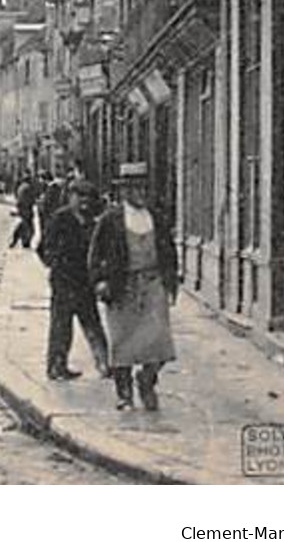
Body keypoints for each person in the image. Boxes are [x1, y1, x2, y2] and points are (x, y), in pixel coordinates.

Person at [89, 171, 179, 411]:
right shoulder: (111, 220)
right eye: (135, 189)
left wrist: (171, 283)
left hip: (152, 285)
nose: (141, 194)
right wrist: (99, 281)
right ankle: (124, 394)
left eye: (144, 189)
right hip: (122, 287)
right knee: (122, 343)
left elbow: (169, 252)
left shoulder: (157, 218)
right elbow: (95, 255)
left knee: (159, 343)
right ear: (125, 192)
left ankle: (147, 381)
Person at [37, 177, 110, 381]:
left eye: (88, 197)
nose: (84, 201)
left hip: (85, 282)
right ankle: (56, 366)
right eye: (79, 196)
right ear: (70, 197)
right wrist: (56, 264)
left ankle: (105, 363)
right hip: (63, 282)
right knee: (61, 326)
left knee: (92, 323)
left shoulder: (93, 222)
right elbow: (43, 248)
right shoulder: (59, 219)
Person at [10, 174, 39, 249]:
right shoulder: (28, 188)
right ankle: (24, 242)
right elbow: (31, 199)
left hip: (21, 208)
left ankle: (18, 240)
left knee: (24, 225)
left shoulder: (21, 187)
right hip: (26, 209)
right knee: (28, 227)